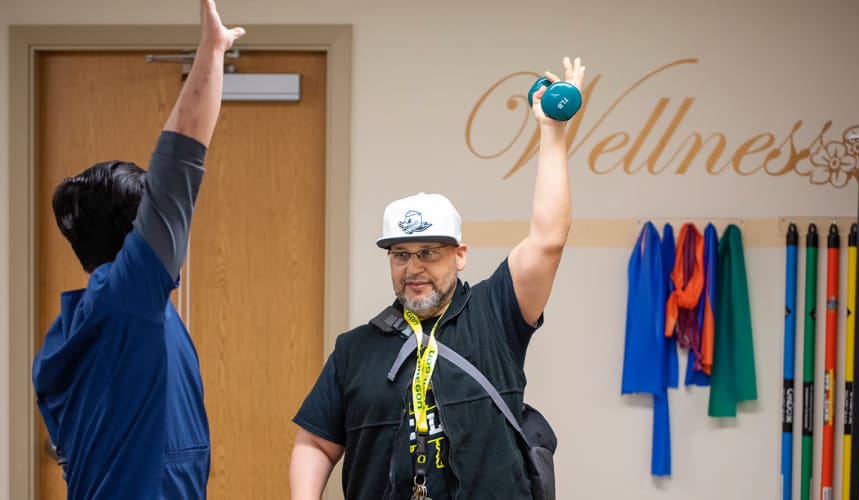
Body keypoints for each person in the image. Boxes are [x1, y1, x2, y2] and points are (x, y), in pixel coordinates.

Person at [289, 57, 586, 500]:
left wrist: (552, 133)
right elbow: (314, 443)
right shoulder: (354, 350)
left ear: (460, 255)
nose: (414, 268)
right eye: (401, 255)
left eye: (429, 253)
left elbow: (547, 240)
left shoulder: (497, 314)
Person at [31, 2, 244, 497]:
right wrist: (211, 55)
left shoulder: (70, 332)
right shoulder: (128, 298)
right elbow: (180, 160)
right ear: (137, 232)